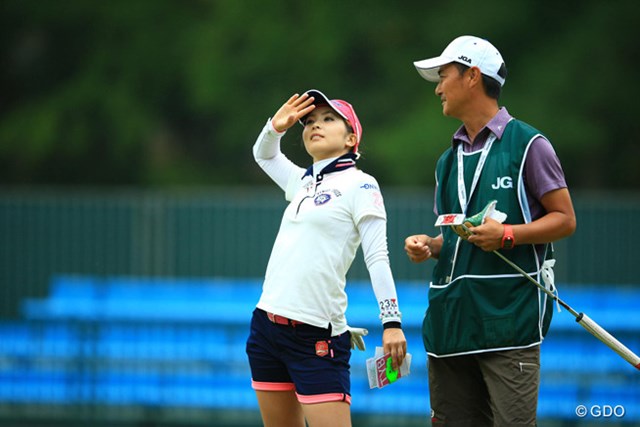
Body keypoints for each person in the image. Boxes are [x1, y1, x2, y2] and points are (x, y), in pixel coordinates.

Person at [404, 36, 577, 426]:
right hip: (451, 324)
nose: (437, 87)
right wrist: (430, 246)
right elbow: (453, 235)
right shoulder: (447, 162)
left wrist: (508, 234)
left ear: (472, 77)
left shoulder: (529, 144)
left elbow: (565, 220)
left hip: (507, 323)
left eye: (444, 75)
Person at [246, 89, 407, 427]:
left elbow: (377, 255)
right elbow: (263, 154)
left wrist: (391, 323)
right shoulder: (301, 181)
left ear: (351, 138)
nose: (314, 125)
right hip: (266, 327)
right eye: (309, 121)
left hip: (316, 335)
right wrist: (276, 127)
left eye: (328, 119)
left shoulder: (362, 185)